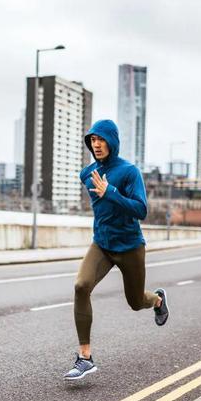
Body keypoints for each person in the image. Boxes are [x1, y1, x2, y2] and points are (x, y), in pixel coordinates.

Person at [64, 119, 169, 381]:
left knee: (135, 302)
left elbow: (141, 209)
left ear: (112, 141)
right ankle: (85, 358)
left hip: (130, 246)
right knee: (81, 285)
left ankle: (156, 300)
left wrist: (110, 191)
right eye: (92, 140)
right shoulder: (86, 173)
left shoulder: (129, 172)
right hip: (102, 244)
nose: (96, 144)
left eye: (101, 139)